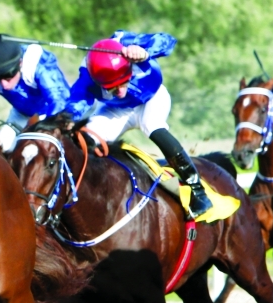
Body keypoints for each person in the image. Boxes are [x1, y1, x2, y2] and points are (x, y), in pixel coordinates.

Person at [63, 30, 213, 219]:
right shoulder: (88, 72)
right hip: (116, 110)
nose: (120, 92)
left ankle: (198, 190)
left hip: (152, 99)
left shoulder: (125, 41)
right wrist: (66, 119)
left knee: (152, 125)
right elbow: (76, 100)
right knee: (84, 140)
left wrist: (145, 52)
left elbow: (167, 40)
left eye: (122, 83)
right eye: (112, 88)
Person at [0, 34, 71, 151]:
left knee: (36, 151)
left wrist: (44, 128)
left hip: (50, 113)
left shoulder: (39, 67)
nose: (4, 84)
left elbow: (59, 102)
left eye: (8, 77)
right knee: (2, 147)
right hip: (21, 112)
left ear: (20, 63)